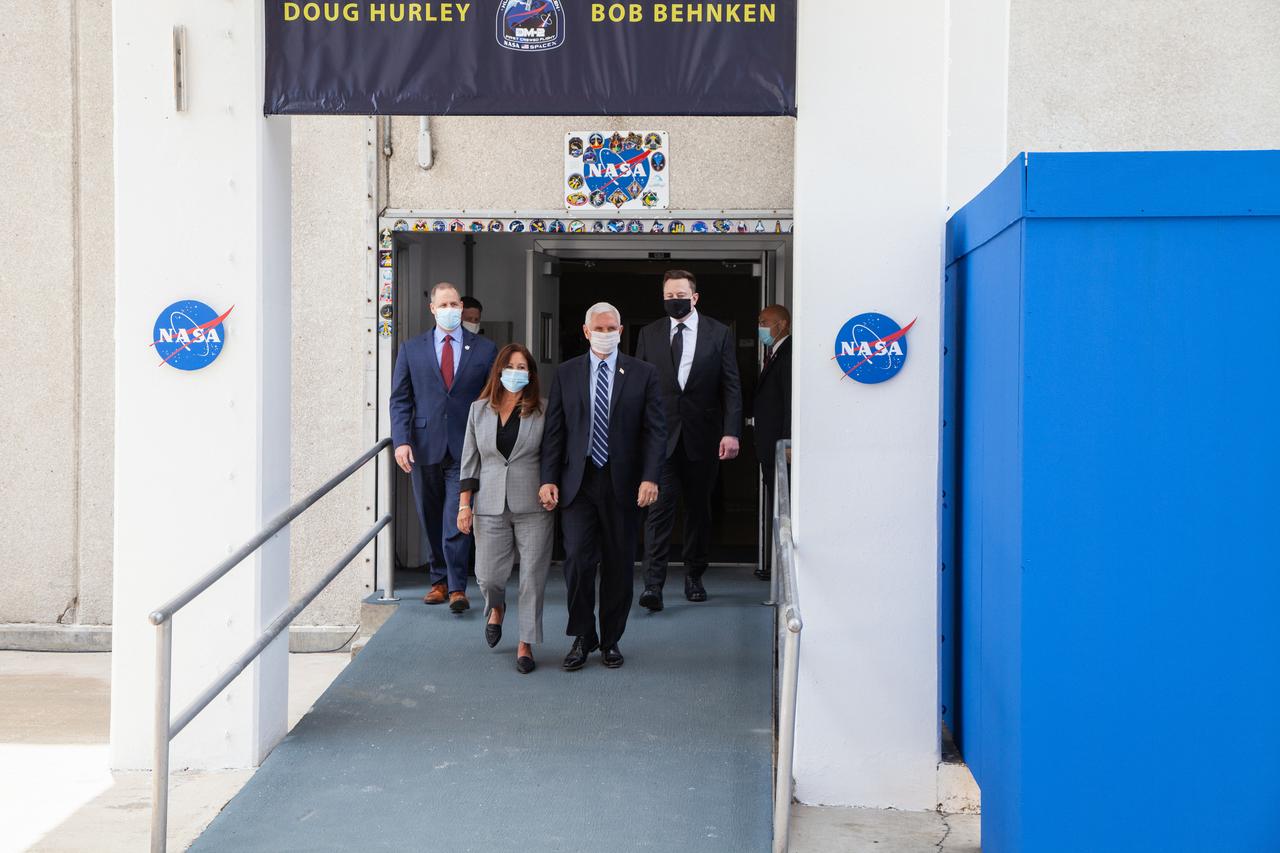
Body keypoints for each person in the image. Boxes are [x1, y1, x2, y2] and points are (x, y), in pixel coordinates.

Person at [539, 302, 666, 670]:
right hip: (578, 483)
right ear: (586, 331)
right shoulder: (567, 373)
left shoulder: (643, 373)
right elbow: (555, 431)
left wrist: (651, 476)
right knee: (577, 561)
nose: (606, 333)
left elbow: (655, 431)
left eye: (613, 328)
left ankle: (611, 639)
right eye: (600, 328)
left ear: (621, 331)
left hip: (622, 483)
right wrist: (548, 478)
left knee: (618, 565)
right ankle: (582, 635)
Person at [633, 269, 742, 610]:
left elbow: (731, 385)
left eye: (680, 295)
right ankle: (653, 585)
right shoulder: (649, 334)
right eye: (668, 296)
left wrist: (731, 430)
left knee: (698, 511)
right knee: (658, 513)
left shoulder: (718, 333)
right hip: (661, 440)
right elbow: (638, 389)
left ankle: (695, 575)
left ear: (694, 297)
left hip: (703, 437)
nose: (674, 301)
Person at [390, 281, 498, 612]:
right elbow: (400, 399)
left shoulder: (484, 349)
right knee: (430, 515)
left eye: (456, 304)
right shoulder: (412, 349)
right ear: (432, 308)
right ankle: (438, 579)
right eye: (445, 304)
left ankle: (455, 587)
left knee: (456, 516)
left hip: (466, 446)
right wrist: (400, 441)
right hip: (423, 445)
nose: (452, 310)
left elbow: (490, 398)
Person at [457, 344, 554, 674]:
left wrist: (551, 485)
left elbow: (552, 455)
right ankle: (496, 607)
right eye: (511, 366)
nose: (517, 372)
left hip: (533, 504)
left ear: (531, 374)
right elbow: (469, 462)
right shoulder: (478, 410)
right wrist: (464, 506)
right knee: (488, 575)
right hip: (489, 503)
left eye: (523, 367)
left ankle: (526, 642)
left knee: (532, 577)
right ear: (499, 371)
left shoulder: (542, 409)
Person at [753, 304, 792, 581]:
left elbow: (790, 402)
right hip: (770, 448)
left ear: (783, 324)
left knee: (783, 508)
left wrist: (787, 442)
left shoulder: (788, 355)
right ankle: (775, 568)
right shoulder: (774, 353)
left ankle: (780, 571)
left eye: (765, 322)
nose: (762, 327)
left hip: (781, 449)